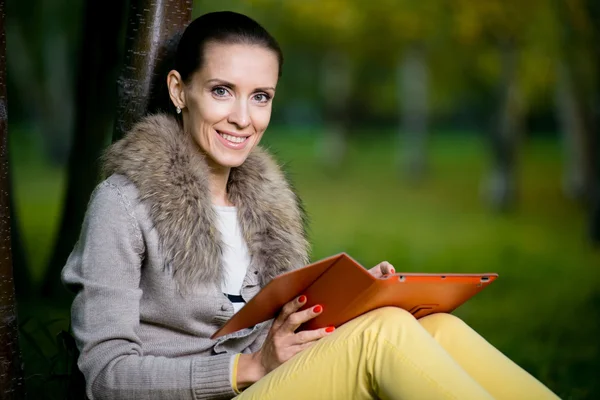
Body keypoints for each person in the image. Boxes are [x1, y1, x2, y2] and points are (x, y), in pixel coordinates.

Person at [61, 10, 560, 400]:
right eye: (221, 91)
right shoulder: (123, 205)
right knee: (382, 336)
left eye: (261, 97)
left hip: (276, 386)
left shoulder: (266, 209)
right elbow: (105, 377)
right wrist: (249, 368)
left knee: (434, 327)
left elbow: (278, 341)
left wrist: (354, 302)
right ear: (178, 90)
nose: (242, 118)